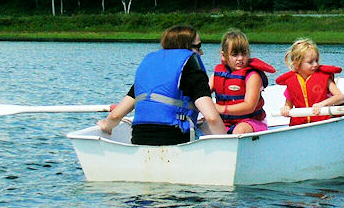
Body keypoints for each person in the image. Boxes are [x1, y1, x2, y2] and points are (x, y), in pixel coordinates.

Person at [98, 25, 226, 145]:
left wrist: (106, 125)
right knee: (208, 125)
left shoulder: (150, 67)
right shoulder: (193, 69)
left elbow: (116, 115)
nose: (201, 52)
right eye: (198, 46)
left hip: (139, 138)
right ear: (186, 46)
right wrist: (227, 142)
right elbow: (212, 118)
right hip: (177, 139)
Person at [209, 29, 276, 134]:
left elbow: (249, 106)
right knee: (204, 125)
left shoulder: (253, 76)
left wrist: (221, 109)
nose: (240, 58)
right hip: (225, 122)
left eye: (244, 54)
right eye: (234, 54)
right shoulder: (217, 74)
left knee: (240, 130)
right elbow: (203, 94)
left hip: (251, 121)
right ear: (224, 55)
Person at [275, 38, 344, 126]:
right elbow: (288, 104)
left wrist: (322, 104)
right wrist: (286, 108)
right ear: (296, 64)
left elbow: (340, 97)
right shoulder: (291, 82)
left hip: (323, 123)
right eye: (310, 62)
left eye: (317, 60)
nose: (315, 64)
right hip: (301, 125)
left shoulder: (324, 79)